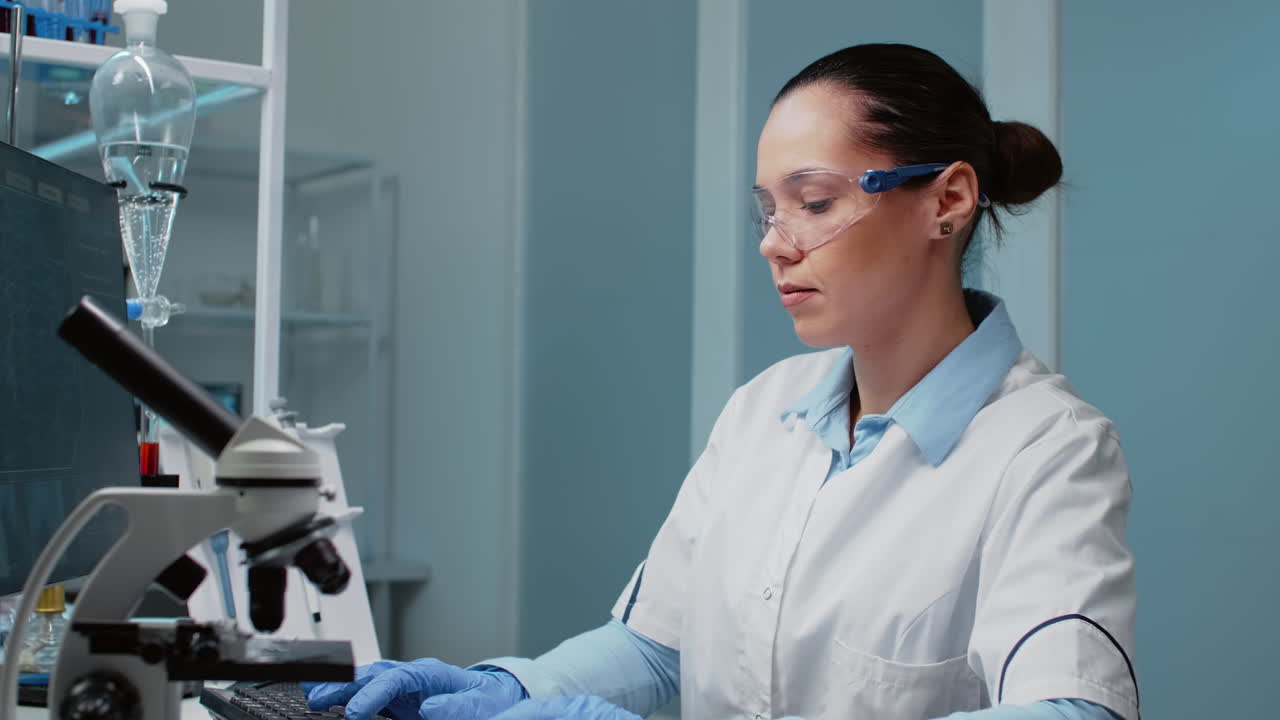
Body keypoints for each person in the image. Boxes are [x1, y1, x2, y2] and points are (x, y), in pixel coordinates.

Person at [304, 43, 1138, 720]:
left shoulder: (1045, 448)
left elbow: (1072, 711)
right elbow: (655, 645)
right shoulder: (763, 413)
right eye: (767, 211)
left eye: (812, 202)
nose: (776, 242)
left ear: (947, 200)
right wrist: (513, 687)